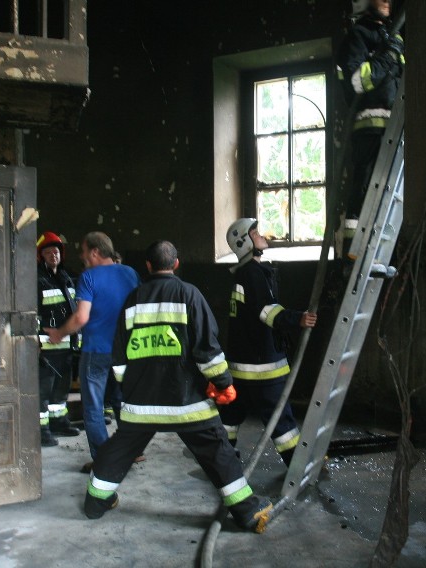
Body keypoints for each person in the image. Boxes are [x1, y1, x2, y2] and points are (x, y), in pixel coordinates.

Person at [83, 240, 273, 533]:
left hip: (141, 406)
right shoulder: (189, 295)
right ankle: (247, 512)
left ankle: (95, 502)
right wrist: (223, 383)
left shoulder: (133, 300)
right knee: (217, 451)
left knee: (119, 449)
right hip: (189, 405)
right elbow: (207, 349)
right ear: (176, 264)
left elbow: (118, 356)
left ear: (147, 266)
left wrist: (129, 388)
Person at [222, 218, 317, 467]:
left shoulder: (244, 274)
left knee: (230, 416)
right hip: (261, 369)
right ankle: (298, 467)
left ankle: (222, 460)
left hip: (240, 366)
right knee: (281, 421)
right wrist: (299, 319)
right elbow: (267, 311)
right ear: (245, 242)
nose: (261, 235)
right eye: (255, 233)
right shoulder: (253, 273)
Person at [45, 231, 139, 472]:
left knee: (94, 407)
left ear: (95, 252)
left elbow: (81, 317)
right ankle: (133, 452)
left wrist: (59, 333)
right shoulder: (130, 273)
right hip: (126, 351)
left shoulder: (88, 277)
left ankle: (103, 460)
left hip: (96, 350)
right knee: (122, 402)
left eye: (84, 251)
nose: (82, 256)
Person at [336, 0, 404, 258]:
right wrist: (387, 56)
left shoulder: (390, 36)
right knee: (364, 186)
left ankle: (382, 246)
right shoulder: (357, 37)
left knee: (388, 191)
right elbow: (357, 82)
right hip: (370, 127)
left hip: (395, 128)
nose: (386, 0)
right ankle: (354, 251)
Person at [36, 231, 80, 447]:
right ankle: (41, 429)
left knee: (61, 388)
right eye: (48, 252)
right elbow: (32, 312)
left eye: (56, 251)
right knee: (44, 389)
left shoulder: (66, 277)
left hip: (66, 346)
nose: (53, 255)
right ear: (40, 255)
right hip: (47, 346)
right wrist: (35, 338)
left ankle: (58, 421)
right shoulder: (36, 279)